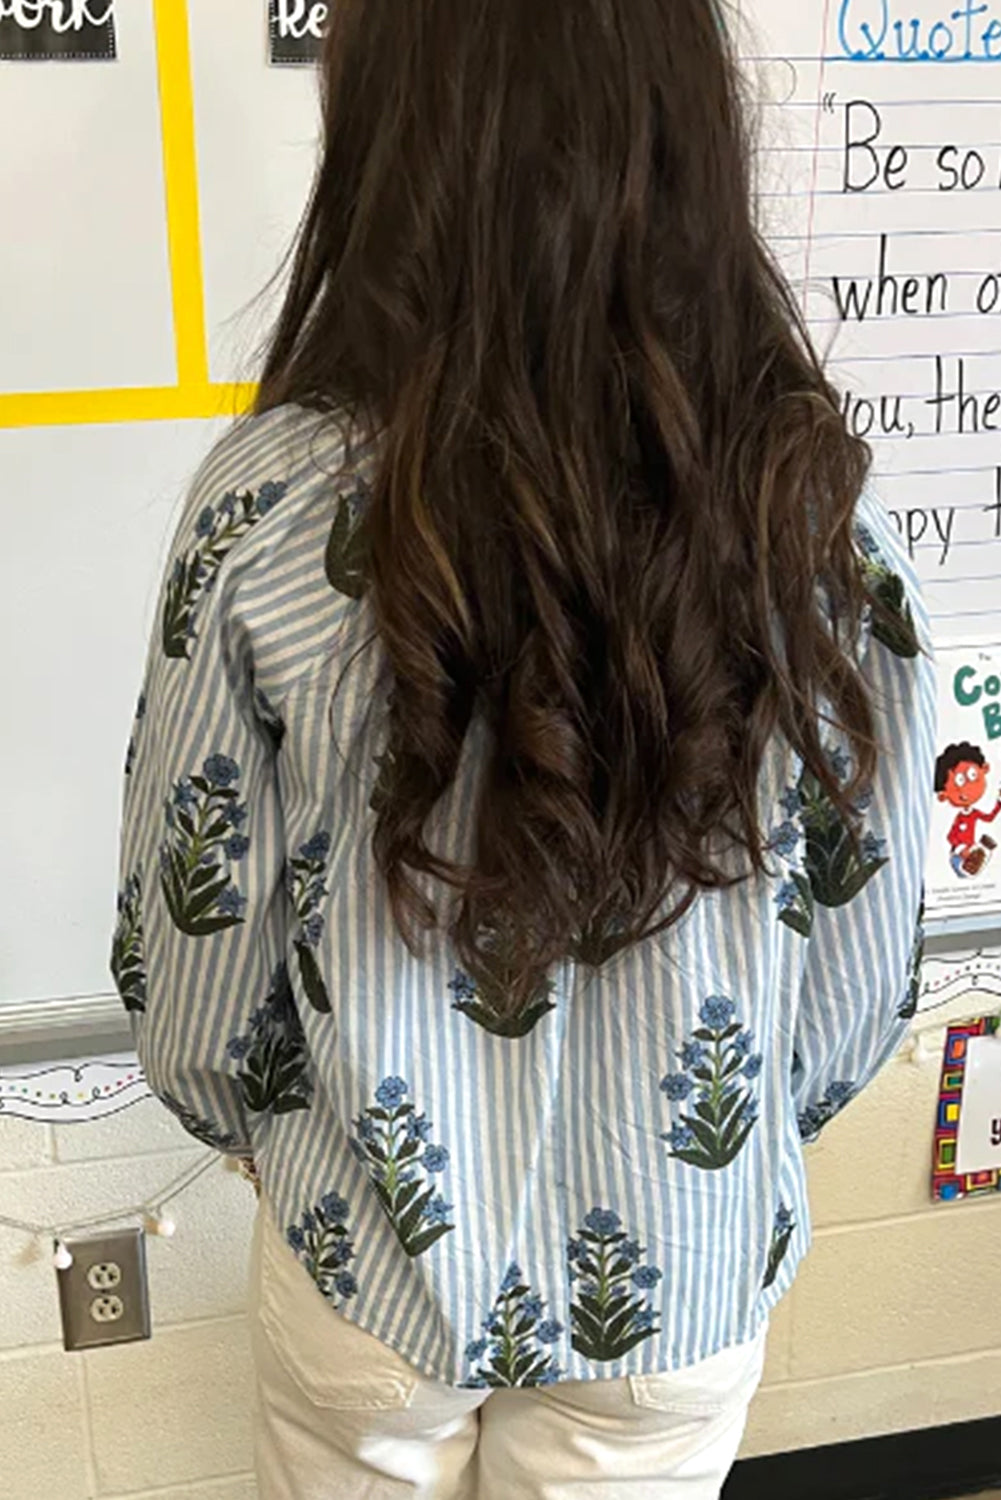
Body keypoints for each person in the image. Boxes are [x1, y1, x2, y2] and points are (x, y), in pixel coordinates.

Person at [110, 0, 936, 1494]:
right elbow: (860, 976)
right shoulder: (813, 521)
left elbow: (194, 956)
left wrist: (278, 1147)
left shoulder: (270, 508)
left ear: (388, 144)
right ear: (689, 143)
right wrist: (729, 1145)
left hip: (368, 1258)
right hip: (679, 1284)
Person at [934, 741, 1000, 877]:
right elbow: (951, 836)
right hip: (958, 856)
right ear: (943, 795)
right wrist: (960, 848)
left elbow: (989, 818)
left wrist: (998, 803)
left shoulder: (974, 813)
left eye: (973, 775)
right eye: (959, 781)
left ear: (984, 769)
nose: (967, 788)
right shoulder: (959, 817)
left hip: (972, 852)